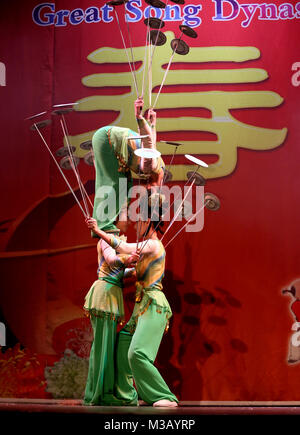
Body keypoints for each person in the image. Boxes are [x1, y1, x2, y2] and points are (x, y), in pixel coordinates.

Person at [86, 199, 179, 408]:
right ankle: (128, 393)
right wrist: (128, 263)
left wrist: (98, 231)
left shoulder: (154, 244)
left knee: (137, 353)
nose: (135, 225)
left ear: (147, 221)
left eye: (139, 221)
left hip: (154, 304)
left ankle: (165, 396)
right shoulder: (147, 246)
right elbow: (131, 267)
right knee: (122, 348)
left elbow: (124, 246)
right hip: (141, 306)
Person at [83, 220, 138, 406]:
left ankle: (104, 391)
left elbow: (116, 272)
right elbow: (112, 261)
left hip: (111, 294)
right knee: (102, 347)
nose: (127, 220)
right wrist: (128, 259)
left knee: (107, 346)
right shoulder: (106, 239)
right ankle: (97, 393)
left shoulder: (114, 239)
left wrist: (132, 271)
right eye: (124, 214)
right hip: (104, 295)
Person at [91, 99, 165, 233]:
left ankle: (111, 223)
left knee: (126, 182)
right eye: (149, 190)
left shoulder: (159, 168)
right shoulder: (151, 168)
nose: (146, 187)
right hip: (107, 141)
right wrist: (139, 118)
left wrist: (153, 124)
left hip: (109, 140)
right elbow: (148, 141)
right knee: (117, 184)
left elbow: (150, 142)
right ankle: (104, 226)